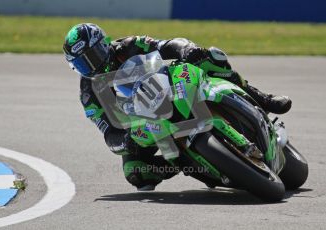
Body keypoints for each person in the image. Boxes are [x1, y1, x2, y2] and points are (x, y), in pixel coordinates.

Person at [63, 23, 292, 191]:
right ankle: (184, 163)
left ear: (103, 44)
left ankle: (262, 98)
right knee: (135, 172)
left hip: (166, 88)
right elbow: (108, 132)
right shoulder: (89, 94)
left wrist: (186, 50)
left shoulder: (128, 46)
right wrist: (124, 141)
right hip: (143, 123)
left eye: (93, 55)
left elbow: (165, 45)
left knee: (209, 58)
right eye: (83, 63)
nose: (92, 65)